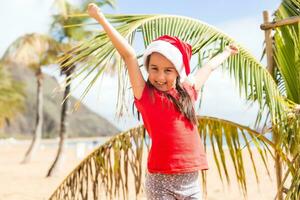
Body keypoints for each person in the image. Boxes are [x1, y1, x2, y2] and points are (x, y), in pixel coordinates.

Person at [87, 3, 238, 200]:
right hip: (160, 182)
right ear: (147, 68)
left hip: (191, 183)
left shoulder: (188, 92)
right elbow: (129, 55)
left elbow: (208, 68)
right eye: (154, 68)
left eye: (168, 70)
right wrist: (101, 19)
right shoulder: (146, 96)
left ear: (178, 72)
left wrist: (227, 52)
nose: (160, 76)